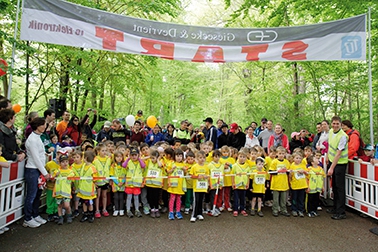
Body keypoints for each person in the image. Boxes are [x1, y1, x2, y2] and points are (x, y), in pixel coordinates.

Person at [23, 117, 49, 228]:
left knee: (38, 193)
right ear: (37, 126)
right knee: (31, 195)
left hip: (38, 170)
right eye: (43, 124)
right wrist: (45, 172)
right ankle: (28, 218)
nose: (45, 126)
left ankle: (35, 214)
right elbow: (35, 158)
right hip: (32, 169)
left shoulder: (38, 138)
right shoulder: (32, 139)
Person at [327, 116, 348, 220]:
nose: (335, 126)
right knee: (334, 186)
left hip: (340, 164)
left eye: (337, 124)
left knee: (339, 188)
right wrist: (327, 157)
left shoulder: (343, 136)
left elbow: (339, 153)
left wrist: (331, 168)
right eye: (334, 123)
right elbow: (330, 146)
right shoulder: (331, 132)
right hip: (331, 160)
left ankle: (341, 211)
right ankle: (335, 207)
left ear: (341, 125)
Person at [52, 154, 75, 225]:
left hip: (66, 192)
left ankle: (69, 215)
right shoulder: (57, 171)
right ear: (59, 163)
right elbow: (52, 179)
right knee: (59, 206)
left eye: (66, 161)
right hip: (58, 192)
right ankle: (60, 217)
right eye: (63, 162)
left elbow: (73, 179)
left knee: (67, 205)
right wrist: (55, 175)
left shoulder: (70, 171)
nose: (65, 163)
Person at [123, 147, 145, 218]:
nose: (134, 156)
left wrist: (139, 159)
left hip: (137, 184)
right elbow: (123, 165)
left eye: (135, 155)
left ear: (138, 155)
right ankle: (128, 210)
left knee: (136, 198)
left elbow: (143, 166)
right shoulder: (129, 162)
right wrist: (128, 159)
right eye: (132, 155)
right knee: (129, 197)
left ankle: (137, 210)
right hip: (129, 184)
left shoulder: (140, 162)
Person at [269, 146, 290, 217]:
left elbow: (289, 171)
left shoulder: (286, 162)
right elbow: (270, 172)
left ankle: (283, 209)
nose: (281, 155)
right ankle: (275, 209)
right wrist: (278, 171)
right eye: (280, 153)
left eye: (283, 153)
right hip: (276, 183)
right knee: (275, 199)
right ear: (277, 154)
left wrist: (286, 171)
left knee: (283, 199)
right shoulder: (274, 162)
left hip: (284, 183)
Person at [77, 151, 97, 223]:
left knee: (90, 203)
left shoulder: (92, 167)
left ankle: (91, 214)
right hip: (82, 189)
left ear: (86, 158)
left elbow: (95, 177)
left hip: (89, 190)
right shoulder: (83, 166)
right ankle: (85, 214)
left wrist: (95, 182)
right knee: (83, 202)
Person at [189, 150, 210, 222]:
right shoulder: (194, 167)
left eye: (203, 158)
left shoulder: (206, 167)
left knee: (201, 200)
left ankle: (200, 213)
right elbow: (191, 175)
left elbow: (208, 175)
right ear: (197, 159)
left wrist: (206, 177)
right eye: (200, 158)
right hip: (196, 187)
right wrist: (197, 176)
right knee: (196, 201)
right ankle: (194, 215)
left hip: (203, 187)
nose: (202, 159)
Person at [166, 149, 186, 220]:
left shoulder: (183, 164)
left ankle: (178, 211)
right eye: (177, 156)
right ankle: (171, 212)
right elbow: (168, 172)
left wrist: (184, 170)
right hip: (173, 185)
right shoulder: (171, 163)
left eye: (180, 156)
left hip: (180, 185)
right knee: (172, 198)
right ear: (174, 156)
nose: (179, 157)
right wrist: (172, 169)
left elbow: (185, 174)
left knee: (178, 199)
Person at [144, 150, 164, 218]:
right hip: (149, 184)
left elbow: (160, 165)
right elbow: (141, 159)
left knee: (156, 197)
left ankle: (157, 209)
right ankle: (152, 209)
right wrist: (149, 157)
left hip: (157, 184)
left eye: (153, 158)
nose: (152, 159)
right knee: (150, 197)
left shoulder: (160, 161)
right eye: (151, 158)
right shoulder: (149, 162)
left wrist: (158, 159)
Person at [93, 143, 111, 218]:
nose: (104, 152)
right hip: (98, 181)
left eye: (105, 150)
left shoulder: (108, 159)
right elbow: (94, 171)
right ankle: (97, 210)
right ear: (98, 151)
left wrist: (110, 178)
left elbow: (109, 169)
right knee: (98, 196)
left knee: (104, 195)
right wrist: (94, 181)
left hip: (106, 180)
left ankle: (104, 209)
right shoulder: (95, 160)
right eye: (102, 150)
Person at [231, 149, 250, 217]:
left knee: (243, 198)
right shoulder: (234, 166)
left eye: (244, 157)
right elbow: (232, 175)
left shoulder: (247, 166)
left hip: (244, 185)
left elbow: (248, 176)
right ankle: (235, 209)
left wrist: (248, 183)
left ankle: (242, 209)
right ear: (238, 156)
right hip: (237, 185)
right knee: (236, 198)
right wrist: (233, 183)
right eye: (240, 156)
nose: (242, 158)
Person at [289, 152, 308, 217]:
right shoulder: (292, 165)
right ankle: (294, 209)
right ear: (293, 158)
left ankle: (300, 210)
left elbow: (307, 173)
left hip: (302, 185)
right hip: (295, 185)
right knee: (294, 198)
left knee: (301, 198)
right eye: (297, 158)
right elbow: (290, 176)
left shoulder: (303, 165)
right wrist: (290, 183)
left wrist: (303, 171)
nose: (298, 159)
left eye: (300, 158)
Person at [208, 150, 224, 217]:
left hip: (219, 183)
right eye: (215, 157)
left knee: (218, 196)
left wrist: (221, 183)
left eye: (218, 157)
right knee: (212, 196)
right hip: (212, 184)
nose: (217, 158)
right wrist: (209, 183)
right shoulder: (210, 165)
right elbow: (208, 174)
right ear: (213, 157)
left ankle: (216, 207)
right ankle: (212, 208)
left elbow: (222, 174)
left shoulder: (221, 165)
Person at [110, 151, 126, 217]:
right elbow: (111, 175)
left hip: (122, 183)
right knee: (116, 197)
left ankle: (121, 209)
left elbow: (126, 174)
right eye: (117, 157)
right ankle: (116, 209)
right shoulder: (113, 166)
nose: (119, 158)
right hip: (115, 184)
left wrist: (122, 182)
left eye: (120, 156)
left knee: (121, 197)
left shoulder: (124, 165)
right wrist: (117, 182)